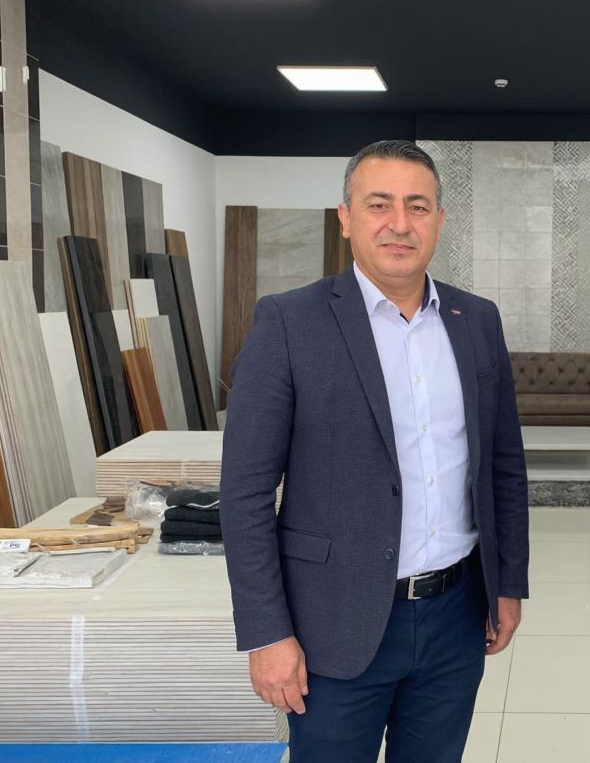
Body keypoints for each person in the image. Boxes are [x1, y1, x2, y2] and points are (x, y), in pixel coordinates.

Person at [221, 140, 529, 762]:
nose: (399, 223)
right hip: (332, 622)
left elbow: (502, 465)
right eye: (379, 204)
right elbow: (245, 493)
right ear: (346, 217)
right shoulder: (290, 322)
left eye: (418, 206)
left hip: (456, 615)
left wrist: (508, 583)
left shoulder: (476, 320)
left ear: (439, 219)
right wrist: (266, 633)